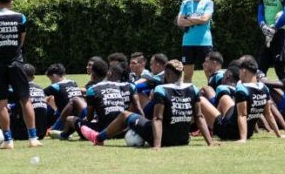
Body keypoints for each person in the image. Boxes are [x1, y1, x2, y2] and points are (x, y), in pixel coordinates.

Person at [80, 60, 216, 149]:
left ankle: (98, 138)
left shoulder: (162, 89)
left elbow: (158, 118)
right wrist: (210, 142)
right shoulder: (193, 88)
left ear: (167, 73)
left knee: (124, 115)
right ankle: (101, 136)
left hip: (164, 139)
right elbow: (199, 117)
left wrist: (157, 145)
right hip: (182, 139)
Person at [0, 0, 41, 148]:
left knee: (1, 103)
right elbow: (22, 41)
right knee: (25, 100)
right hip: (17, 62)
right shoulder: (20, 17)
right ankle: (33, 138)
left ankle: (8, 140)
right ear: (11, 1)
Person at [213, 55, 285, 142]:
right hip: (249, 132)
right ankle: (216, 127)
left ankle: (213, 129)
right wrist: (279, 135)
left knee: (208, 100)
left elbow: (242, 115)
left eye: (239, 71)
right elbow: (268, 114)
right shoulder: (264, 88)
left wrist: (243, 139)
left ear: (244, 71)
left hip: (228, 132)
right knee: (229, 102)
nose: (239, 74)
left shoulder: (242, 89)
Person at [176, 0, 214, 83]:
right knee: (187, 76)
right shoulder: (185, 3)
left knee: (209, 74)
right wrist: (198, 20)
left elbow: (205, 19)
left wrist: (188, 18)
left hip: (204, 43)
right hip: (188, 43)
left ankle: (213, 97)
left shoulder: (208, 3)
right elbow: (179, 22)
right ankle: (188, 98)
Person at [43, 63, 85, 130]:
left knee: (46, 101)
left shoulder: (56, 86)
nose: (51, 82)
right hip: (79, 116)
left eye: (50, 79)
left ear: (54, 76)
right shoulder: (73, 82)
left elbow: (39, 94)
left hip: (65, 117)